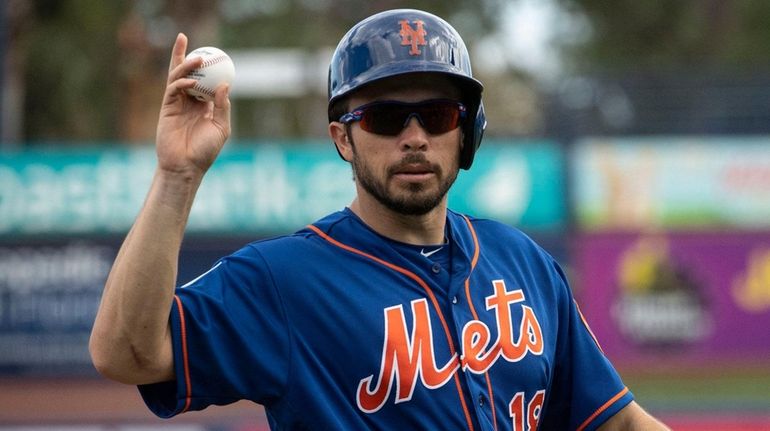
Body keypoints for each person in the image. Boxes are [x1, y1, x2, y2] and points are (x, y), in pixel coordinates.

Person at [90, 9, 670, 431]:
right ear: (343, 137)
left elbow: (615, 423)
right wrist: (177, 175)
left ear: (466, 132)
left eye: (438, 115)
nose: (415, 137)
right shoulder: (284, 280)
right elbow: (126, 354)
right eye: (386, 118)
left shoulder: (525, 263)